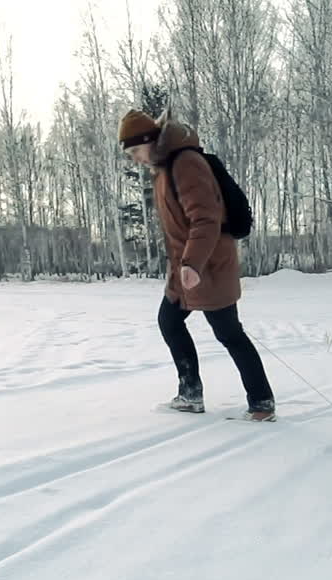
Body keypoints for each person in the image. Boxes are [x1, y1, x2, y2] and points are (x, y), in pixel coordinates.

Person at [118, 108, 276, 422]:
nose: (135, 159)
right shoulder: (164, 168)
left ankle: (262, 402)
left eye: (136, 150)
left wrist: (192, 263)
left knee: (229, 333)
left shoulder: (186, 163)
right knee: (169, 320)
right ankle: (190, 393)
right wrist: (183, 265)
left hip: (209, 265)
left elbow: (205, 218)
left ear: (150, 141)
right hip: (186, 268)